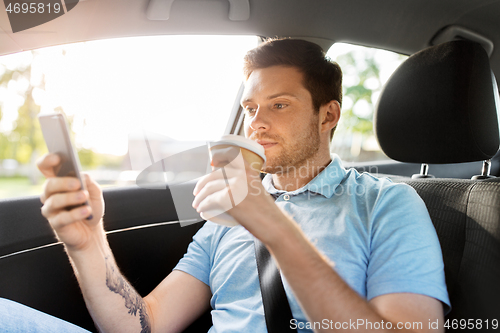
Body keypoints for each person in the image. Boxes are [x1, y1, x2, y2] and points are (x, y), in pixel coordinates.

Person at [7, 38, 449, 332]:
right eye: (251, 108)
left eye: (279, 105)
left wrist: (273, 226)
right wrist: (88, 245)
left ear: (328, 116)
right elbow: (146, 323)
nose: (257, 123)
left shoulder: (387, 204)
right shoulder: (227, 215)